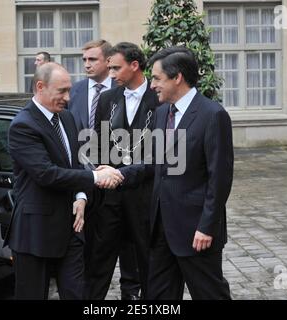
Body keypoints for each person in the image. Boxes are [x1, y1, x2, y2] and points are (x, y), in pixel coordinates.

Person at [116, 46, 233, 299]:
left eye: (157, 78)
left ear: (177, 77)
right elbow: (156, 163)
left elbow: (220, 179)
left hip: (196, 232)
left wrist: (206, 227)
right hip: (161, 229)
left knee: (210, 294)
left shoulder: (213, 115)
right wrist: (120, 174)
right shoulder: (161, 114)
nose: (152, 85)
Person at [5, 62, 123, 300]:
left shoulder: (67, 118)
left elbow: (76, 163)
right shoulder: (23, 125)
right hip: (35, 232)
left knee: (77, 294)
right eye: (62, 91)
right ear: (40, 87)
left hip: (72, 228)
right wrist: (96, 177)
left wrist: (81, 196)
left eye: (69, 90)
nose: (68, 98)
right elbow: (46, 174)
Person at [85, 42, 160, 300]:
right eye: (110, 68)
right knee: (99, 259)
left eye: (116, 68)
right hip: (111, 196)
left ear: (135, 65)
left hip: (147, 195)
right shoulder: (107, 99)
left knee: (148, 260)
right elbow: (97, 143)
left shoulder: (159, 97)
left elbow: (163, 154)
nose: (112, 73)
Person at [67, 39, 141, 300]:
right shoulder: (74, 92)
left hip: (134, 186)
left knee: (134, 258)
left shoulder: (134, 92)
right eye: (84, 60)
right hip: (95, 187)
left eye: (93, 60)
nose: (86, 65)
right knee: (97, 257)